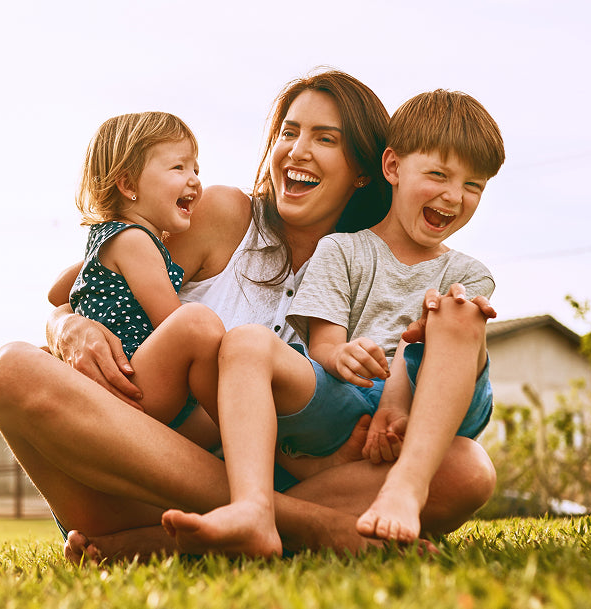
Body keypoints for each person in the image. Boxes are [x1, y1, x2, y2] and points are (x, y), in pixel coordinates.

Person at [0, 69, 497, 562]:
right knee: (9, 368)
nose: (297, 150)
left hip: (296, 481)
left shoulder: (379, 267)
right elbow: (99, 276)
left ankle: (180, 537)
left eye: (325, 138)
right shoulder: (222, 215)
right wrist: (68, 326)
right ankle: (303, 525)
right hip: (133, 475)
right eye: (288, 132)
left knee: (466, 469)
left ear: (365, 171)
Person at [160, 90, 504, 555]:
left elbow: (426, 350)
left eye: (473, 186)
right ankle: (253, 509)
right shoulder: (341, 250)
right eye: (439, 175)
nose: (452, 195)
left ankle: (405, 487)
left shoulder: (467, 273)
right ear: (392, 168)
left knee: (456, 314)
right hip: (351, 398)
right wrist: (340, 354)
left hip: (432, 406)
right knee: (245, 342)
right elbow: (322, 344)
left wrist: (398, 405)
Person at [66, 112, 223, 436]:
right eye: (179, 167)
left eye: (196, 168)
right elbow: (171, 320)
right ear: (128, 184)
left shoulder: (107, 236)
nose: (194, 179)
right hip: (132, 384)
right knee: (197, 323)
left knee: (241, 417)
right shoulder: (135, 240)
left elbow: (58, 292)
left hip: (130, 386)